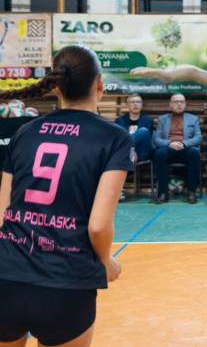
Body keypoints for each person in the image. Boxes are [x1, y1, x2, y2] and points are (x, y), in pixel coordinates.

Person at [0, 45, 132, 346]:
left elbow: (2, 214)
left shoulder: (25, 132)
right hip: (66, 283)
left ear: (56, 86)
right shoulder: (114, 138)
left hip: (6, 275)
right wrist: (105, 261)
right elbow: (98, 225)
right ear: (100, 85)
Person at [152, 93, 202, 204]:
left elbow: (198, 137)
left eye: (182, 102)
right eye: (176, 102)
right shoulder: (162, 119)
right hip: (168, 148)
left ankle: (192, 192)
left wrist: (184, 143)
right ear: (170, 104)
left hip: (185, 148)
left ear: (185, 104)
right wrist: (170, 143)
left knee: (194, 154)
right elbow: (156, 139)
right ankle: (163, 193)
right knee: (159, 154)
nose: (179, 104)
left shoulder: (193, 119)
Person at [114, 93, 154, 202]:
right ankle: (119, 190)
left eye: (138, 102)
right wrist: (131, 150)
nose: (135, 104)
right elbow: (119, 140)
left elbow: (147, 138)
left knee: (143, 131)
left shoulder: (147, 120)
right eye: (133, 102)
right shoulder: (120, 121)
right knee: (121, 154)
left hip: (142, 152)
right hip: (127, 154)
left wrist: (132, 148)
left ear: (141, 105)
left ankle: (119, 189)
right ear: (127, 105)